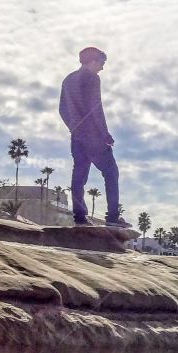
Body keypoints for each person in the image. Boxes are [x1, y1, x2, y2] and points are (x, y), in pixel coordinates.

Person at [59, 46, 126, 226]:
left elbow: (62, 110)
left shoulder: (68, 80)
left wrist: (73, 127)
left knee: (79, 175)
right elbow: (96, 108)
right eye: (102, 63)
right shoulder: (92, 78)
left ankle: (79, 218)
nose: (103, 67)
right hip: (93, 136)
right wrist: (105, 134)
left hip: (77, 136)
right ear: (93, 60)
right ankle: (112, 217)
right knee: (111, 172)